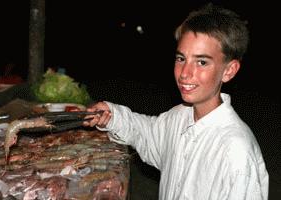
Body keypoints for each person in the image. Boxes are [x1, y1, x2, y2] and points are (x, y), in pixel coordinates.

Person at [83, 3, 269, 200]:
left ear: (229, 70)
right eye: (181, 59)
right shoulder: (180, 116)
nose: (185, 74)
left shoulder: (236, 151)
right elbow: (147, 133)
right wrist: (112, 115)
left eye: (202, 62)